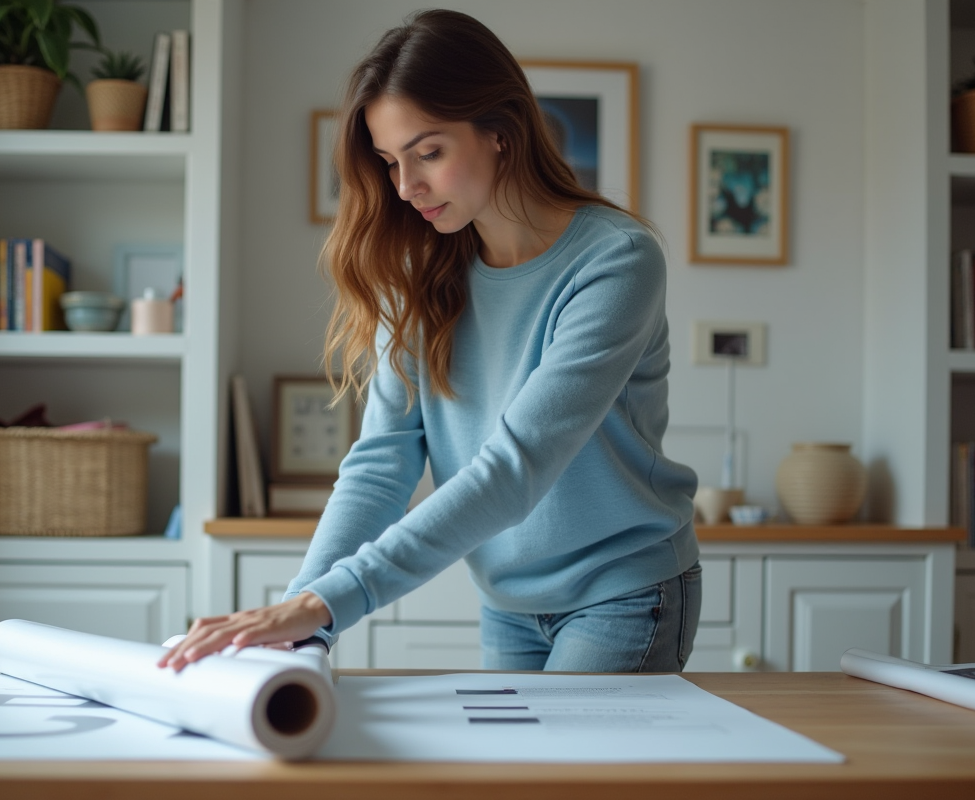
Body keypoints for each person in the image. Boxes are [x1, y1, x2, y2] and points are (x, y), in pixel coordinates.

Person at [160, 9, 700, 674]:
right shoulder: (422, 275)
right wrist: (303, 620)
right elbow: (379, 466)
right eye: (390, 162)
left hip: (622, 592)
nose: (405, 187)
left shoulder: (616, 262)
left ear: (500, 131)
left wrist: (328, 603)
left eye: (429, 152)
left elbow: (514, 471)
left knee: (562, 781)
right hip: (505, 598)